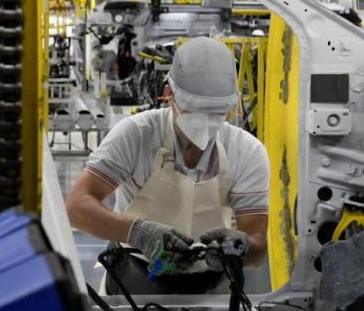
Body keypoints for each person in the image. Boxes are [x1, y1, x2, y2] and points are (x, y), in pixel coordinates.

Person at [65, 37, 269, 294]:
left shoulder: (247, 151)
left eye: (216, 112)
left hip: (213, 288)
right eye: (194, 109)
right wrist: (137, 232)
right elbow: (77, 206)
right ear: (168, 93)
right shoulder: (136, 135)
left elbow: (257, 244)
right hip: (134, 277)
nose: (205, 121)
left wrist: (241, 247)